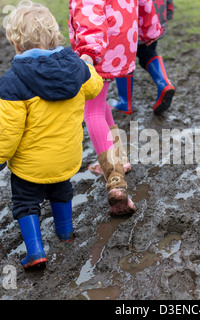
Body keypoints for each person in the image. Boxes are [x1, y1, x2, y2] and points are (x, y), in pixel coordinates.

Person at [0, 1, 103, 269]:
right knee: (62, 190)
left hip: (30, 165)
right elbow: (95, 88)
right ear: (55, 36)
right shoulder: (76, 67)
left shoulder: (14, 81)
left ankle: (36, 252)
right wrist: (88, 64)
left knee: (26, 202)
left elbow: (7, 130)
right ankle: (66, 234)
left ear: (16, 43)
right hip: (65, 158)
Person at [68, 0, 163, 215]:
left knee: (91, 110)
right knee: (99, 103)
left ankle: (115, 180)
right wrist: (148, 30)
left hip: (99, 46)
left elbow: (89, 9)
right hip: (123, 41)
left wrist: (88, 54)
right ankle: (119, 157)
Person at [111, 0, 175, 115]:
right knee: (148, 53)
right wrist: (169, 10)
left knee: (123, 57)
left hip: (129, 17)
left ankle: (125, 103)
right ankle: (164, 84)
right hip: (156, 16)